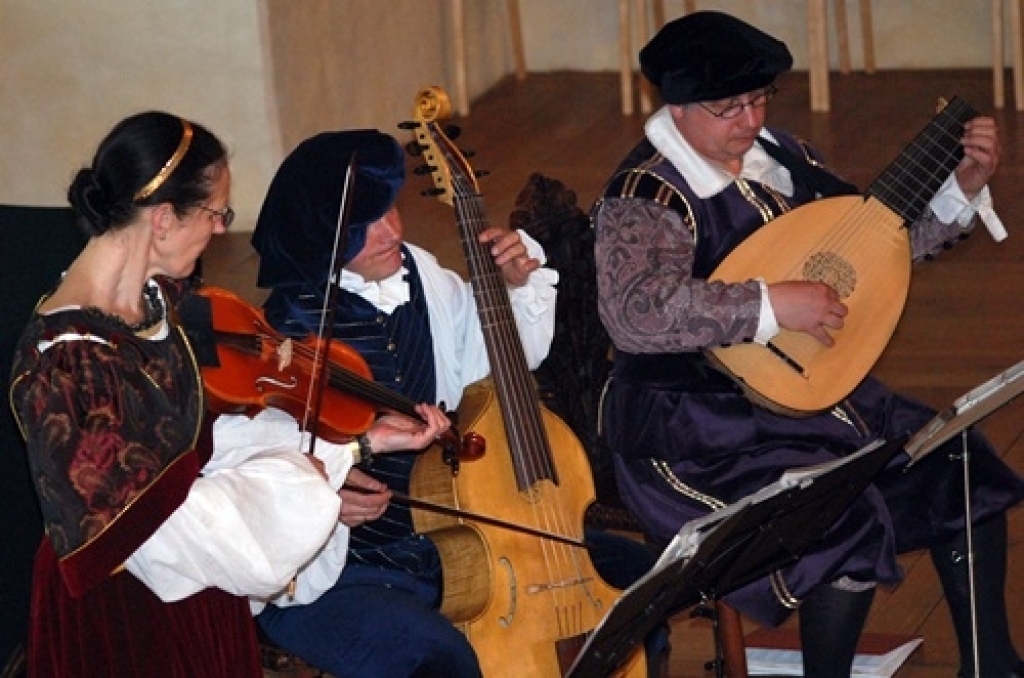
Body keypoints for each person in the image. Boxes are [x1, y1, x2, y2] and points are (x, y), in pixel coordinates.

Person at [591, 11, 1024, 678]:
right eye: (729, 106)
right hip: (691, 433)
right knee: (836, 516)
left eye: (759, 99)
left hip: (814, 398)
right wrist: (770, 304)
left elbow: (864, 255)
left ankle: (993, 667)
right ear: (677, 105)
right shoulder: (648, 196)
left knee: (956, 458)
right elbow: (634, 314)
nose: (750, 119)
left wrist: (957, 191)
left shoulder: (783, 156)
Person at [7, 111, 449, 677]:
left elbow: (208, 442)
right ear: (163, 218)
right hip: (128, 614)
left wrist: (358, 440)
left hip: (203, 592)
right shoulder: (70, 365)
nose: (221, 230)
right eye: (216, 213)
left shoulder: (162, 299)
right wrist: (324, 476)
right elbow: (172, 529)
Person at [250, 129, 662, 677]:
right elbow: (251, 475)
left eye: (391, 209)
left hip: (460, 539)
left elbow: (491, 363)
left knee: (640, 583)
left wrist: (513, 288)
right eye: (366, 224)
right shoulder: (282, 336)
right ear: (322, 235)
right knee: (438, 658)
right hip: (342, 568)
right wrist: (322, 492)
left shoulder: (417, 273)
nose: (392, 231)